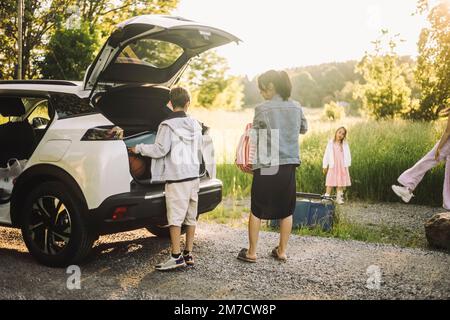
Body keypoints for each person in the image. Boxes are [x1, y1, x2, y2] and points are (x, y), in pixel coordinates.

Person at [237, 70, 308, 263]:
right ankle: (281, 251)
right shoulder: (296, 106)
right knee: (287, 209)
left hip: (267, 164)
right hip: (288, 164)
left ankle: (251, 253)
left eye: (262, 89)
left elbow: (254, 135)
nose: (261, 93)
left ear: (271, 86)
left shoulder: (262, 108)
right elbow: (304, 128)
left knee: (257, 208)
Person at [128, 87, 202, 271]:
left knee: (175, 219)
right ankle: (188, 253)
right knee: (191, 217)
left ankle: (176, 256)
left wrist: (138, 149)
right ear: (187, 104)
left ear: (170, 103)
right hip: (194, 177)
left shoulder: (167, 125)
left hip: (177, 179)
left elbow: (160, 150)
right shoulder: (196, 125)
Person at [392, 110, 450, 210]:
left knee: (426, 162)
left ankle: (407, 188)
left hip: (447, 144)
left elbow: (448, 132)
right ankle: (448, 203)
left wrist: (439, 147)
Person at [322, 127, 352, 204]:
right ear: (336, 132)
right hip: (333, 165)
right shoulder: (331, 143)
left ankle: (339, 198)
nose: (341, 135)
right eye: (339, 132)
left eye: (343, 134)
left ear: (344, 136)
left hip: (342, 165)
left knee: (340, 182)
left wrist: (347, 164)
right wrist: (325, 165)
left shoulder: (344, 144)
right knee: (330, 181)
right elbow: (326, 155)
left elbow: (348, 154)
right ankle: (327, 196)